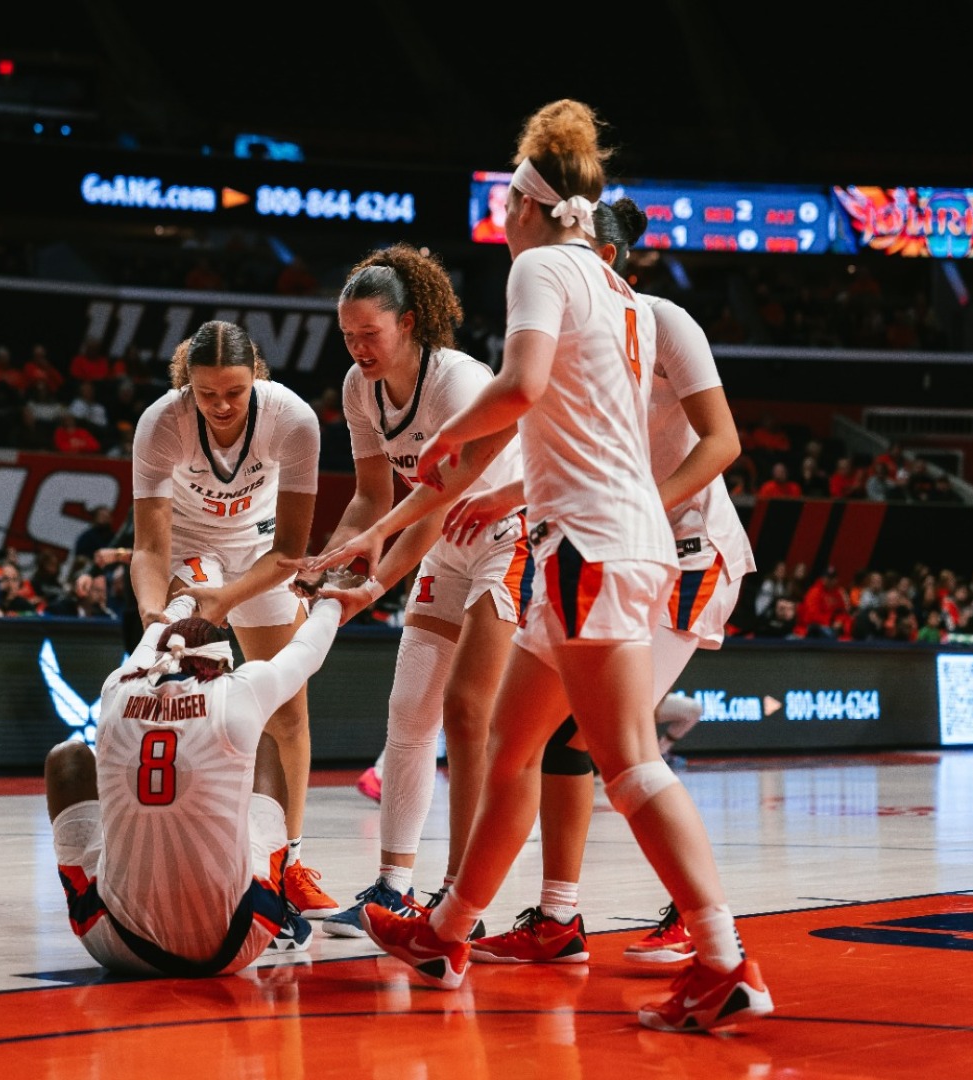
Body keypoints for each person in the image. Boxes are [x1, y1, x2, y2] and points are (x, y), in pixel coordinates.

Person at [350, 100, 768, 1035]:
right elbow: (578, 429)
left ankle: (724, 955)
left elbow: (525, 388)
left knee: (624, 762)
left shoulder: (541, 269)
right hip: (585, 536)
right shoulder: (619, 294)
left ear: (532, 203)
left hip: (593, 544)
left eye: (507, 195)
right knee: (513, 747)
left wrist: (447, 441)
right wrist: (505, 497)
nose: (501, 212)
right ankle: (450, 930)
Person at [451, 196, 751, 969]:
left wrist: (642, 507)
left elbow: (723, 443)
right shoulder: (573, 330)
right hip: (609, 540)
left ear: (611, 260)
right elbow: (580, 456)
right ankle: (555, 916)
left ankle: (700, 925)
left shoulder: (659, 320)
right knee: (552, 739)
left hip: (682, 551)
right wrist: (500, 493)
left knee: (608, 744)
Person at [283, 244, 527, 938]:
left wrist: (378, 568)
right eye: (349, 335)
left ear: (410, 323)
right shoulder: (360, 390)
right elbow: (371, 498)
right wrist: (338, 562)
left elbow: (445, 487)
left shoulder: (454, 379)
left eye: (371, 334)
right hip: (442, 540)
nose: (359, 347)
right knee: (407, 712)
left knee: (467, 712)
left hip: (510, 532)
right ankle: (393, 888)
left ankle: (462, 902)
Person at [44, 589, 369, 977]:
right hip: (235, 942)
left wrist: (180, 603)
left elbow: (153, 638)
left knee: (67, 758)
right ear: (222, 663)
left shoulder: (118, 688)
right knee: (265, 745)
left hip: (116, 943)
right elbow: (306, 651)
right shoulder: (238, 692)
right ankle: (283, 894)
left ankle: (97, 894)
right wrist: (333, 600)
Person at [129, 320, 337, 918]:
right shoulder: (161, 422)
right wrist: (152, 612)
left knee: (289, 713)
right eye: (207, 393)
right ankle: (198, 853)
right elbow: (149, 547)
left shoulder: (293, 419)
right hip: (193, 548)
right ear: (187, 385)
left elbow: (291, 555)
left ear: (258, 379)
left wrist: (226, 602)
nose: (221, 405)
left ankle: (288, 861)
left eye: (234, 392)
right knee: (192, 694)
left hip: (263, 550)